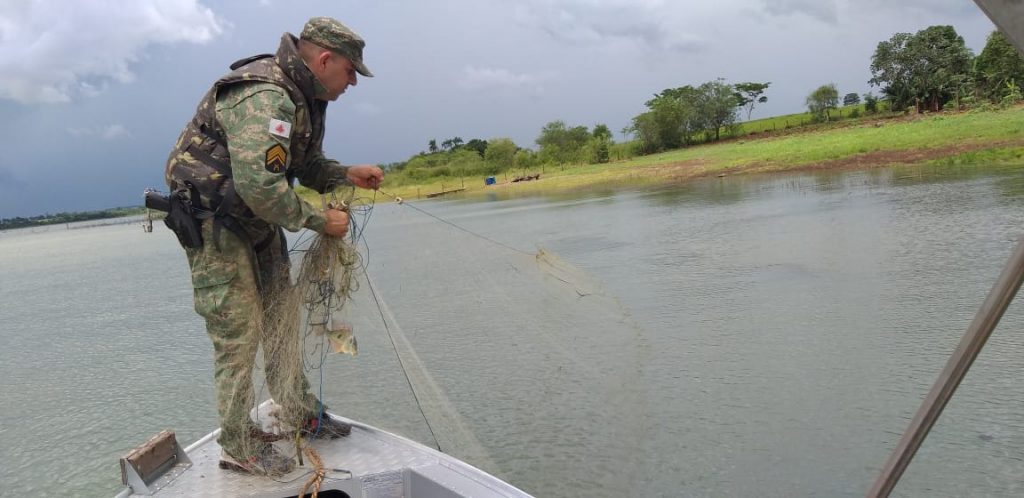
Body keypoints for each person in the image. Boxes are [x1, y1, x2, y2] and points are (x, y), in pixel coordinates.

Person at [163, 16, 384, 475]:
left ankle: (299, 409)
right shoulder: (266, 95)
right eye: (350, 72)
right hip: (214, 224)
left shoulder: (308, 97)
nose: (352, 83)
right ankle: (238, 443)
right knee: (238, 333)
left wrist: (345, 175)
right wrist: (320, 221)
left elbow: (303, 165)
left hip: (255, 218)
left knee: (282, 316)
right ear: (325, 59)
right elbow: (262, 187)